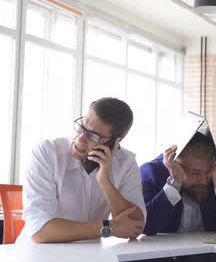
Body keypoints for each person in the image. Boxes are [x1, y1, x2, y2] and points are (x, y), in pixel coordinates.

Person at [19, 97, 146, 243]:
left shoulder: (126, 163)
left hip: (89, 256)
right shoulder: (47, 153)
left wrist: (104, 181)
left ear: (114, 143)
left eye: (93, 135)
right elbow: (40, 231)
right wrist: (109, 228)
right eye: (82, 127)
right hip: (37, 254)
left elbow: (135, 226)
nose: (80, 139)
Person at [140, 133, 216, 234]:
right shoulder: (151, 172)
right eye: (196, 173)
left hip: (209, 252)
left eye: (207, 172)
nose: (204, 180)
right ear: (175, 165)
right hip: (165, 253)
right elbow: (144, 226)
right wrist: (175, 182)